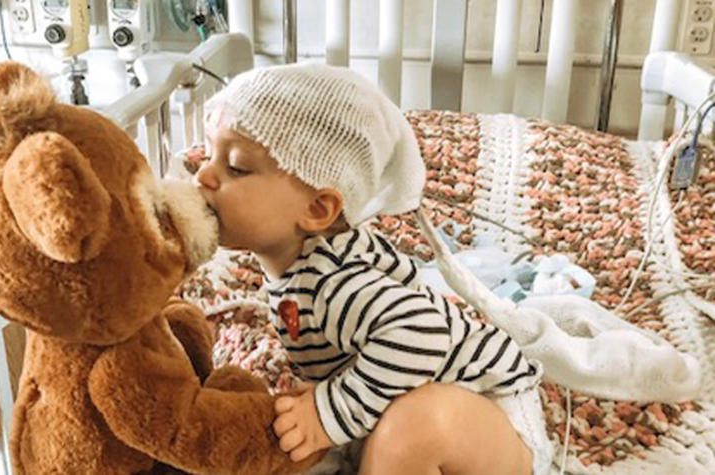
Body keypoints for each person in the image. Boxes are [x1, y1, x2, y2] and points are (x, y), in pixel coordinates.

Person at [195, 63, 553, 475]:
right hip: (397, 399)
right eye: (208, 154)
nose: (204, 174)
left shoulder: (337, 283)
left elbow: (424, 334)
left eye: (236, 166)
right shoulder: (296, 267)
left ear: (317, 209)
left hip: (490, 412)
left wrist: (331, 410)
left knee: (413, 425)